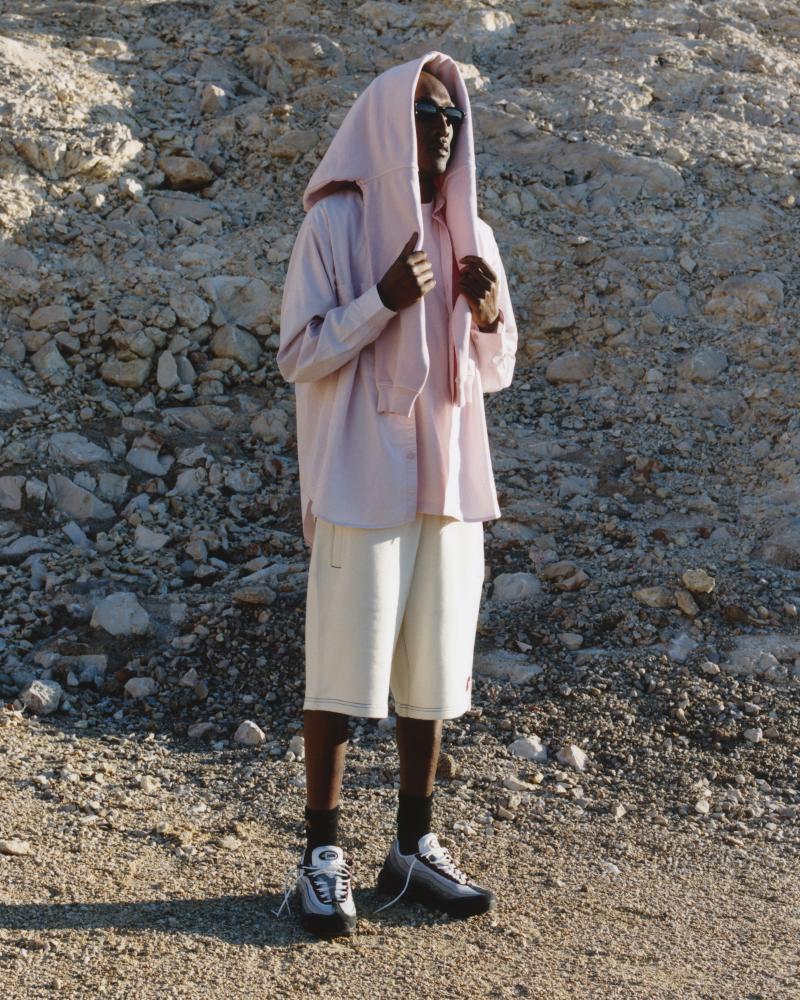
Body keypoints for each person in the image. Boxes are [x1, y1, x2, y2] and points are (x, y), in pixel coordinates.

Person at [277, 51, 517, 938]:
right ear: (386, 122)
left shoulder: (471, 229)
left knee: (432, 668)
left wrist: (489, 315)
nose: (444, 130)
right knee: (344, 666)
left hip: (448, 474)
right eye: (427, 113)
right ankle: (321, 856)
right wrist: (380, 300)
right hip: (359, 471)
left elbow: (498, 366)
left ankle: (413, 846)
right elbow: (298, 352)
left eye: (453, 116)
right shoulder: (335, 223)